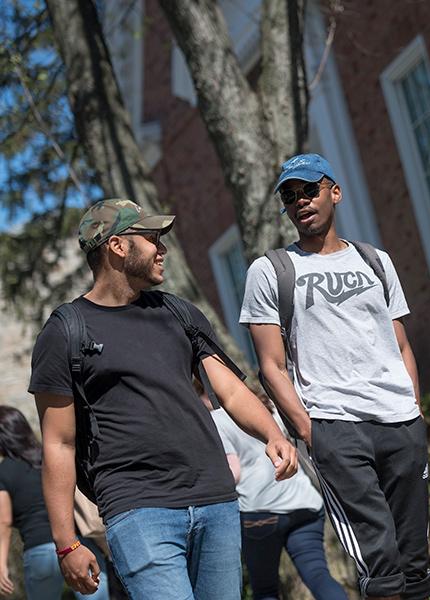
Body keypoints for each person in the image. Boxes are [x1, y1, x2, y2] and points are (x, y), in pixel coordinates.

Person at [29, 199, 298, 600]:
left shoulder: (178, 313)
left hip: (215, 499)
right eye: (152, 238)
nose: (163, 249)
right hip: (137, 509)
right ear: (118, 247)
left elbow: (230, 388)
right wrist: (66, 541)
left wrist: (272, 434)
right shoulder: (66, 331)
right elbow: (59, 442)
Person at [241, 154, 430, 600]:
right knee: (379, 564)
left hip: (401, 422)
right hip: (335, 428)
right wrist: (312, 433)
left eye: (309, 190)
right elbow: (271, 367)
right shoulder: (270, 271)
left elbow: (401, 344)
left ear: (335, 192)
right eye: (290, 196)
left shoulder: (376, 261)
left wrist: (415, 410)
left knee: (414, 563)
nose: (300, 202)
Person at [210, 395, 348, 600]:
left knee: (265, 590)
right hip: (305, 505)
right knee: (318, 575)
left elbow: (234, 471)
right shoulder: (268, 407)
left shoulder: (216, 419)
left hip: (259, 513)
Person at [0, 406, 109, 600]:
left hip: (39, 551)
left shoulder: (5, 471)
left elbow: (4, 521)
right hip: (78, 545)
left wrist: (1, 563)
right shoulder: (53, 457)